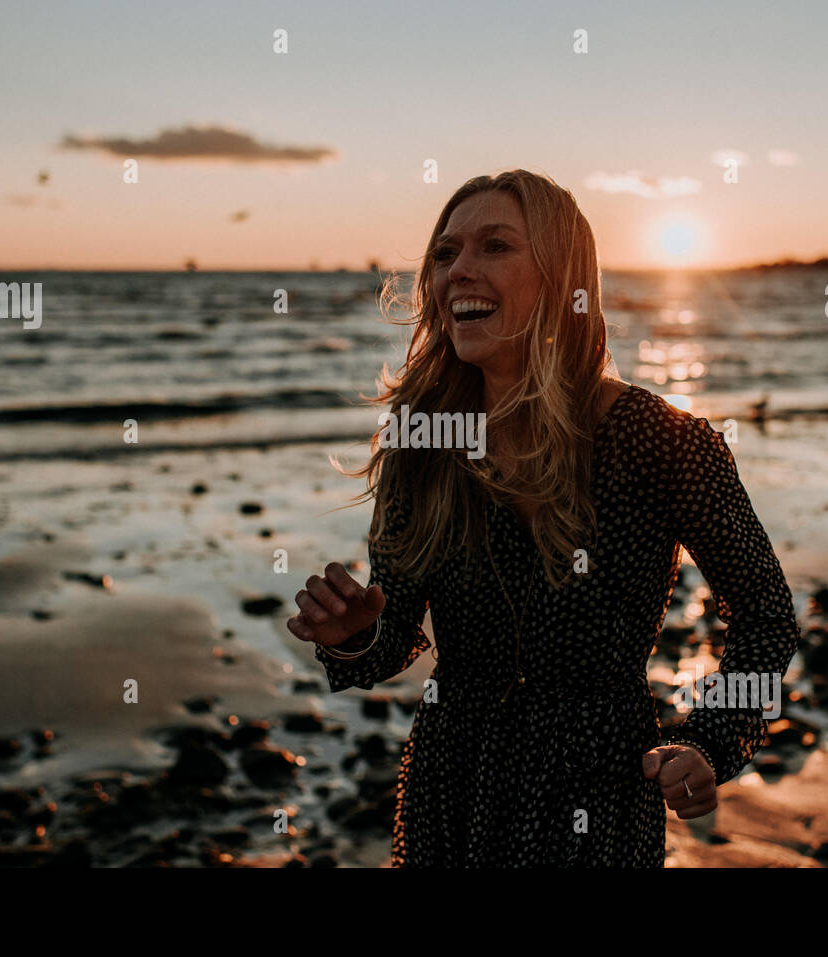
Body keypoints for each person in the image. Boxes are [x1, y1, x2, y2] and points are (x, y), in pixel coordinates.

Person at [286, 169, 801, 866]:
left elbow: (765, 612)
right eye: (444, 254)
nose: (458, 270)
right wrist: (353, 635)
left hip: (596, 788)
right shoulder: (424, 440)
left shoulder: (660, 439)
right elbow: (396, 632)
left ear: (561, 278)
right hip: (453, 781)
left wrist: (711, 739)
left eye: (494, 246)